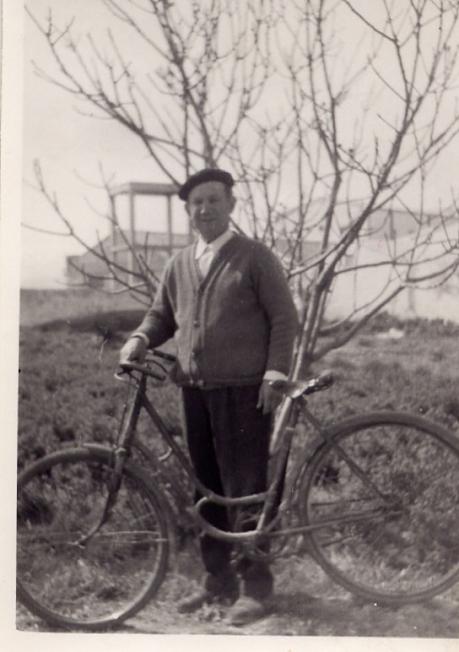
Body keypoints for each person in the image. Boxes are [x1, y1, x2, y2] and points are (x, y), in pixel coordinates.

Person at [119, 168, 298, 625]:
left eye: (214, 200)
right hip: (195, 391)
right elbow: (161, 315)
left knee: (245, 490)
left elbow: (284, 318)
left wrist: (275, 374)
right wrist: (140, 337)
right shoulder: (179, 263)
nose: (205, 209)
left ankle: (256, 588)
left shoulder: (254, 257)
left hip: (244, 392)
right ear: (188, 211)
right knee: (207, 488)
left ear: (231, 205)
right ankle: (218, 580)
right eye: (197, 203)